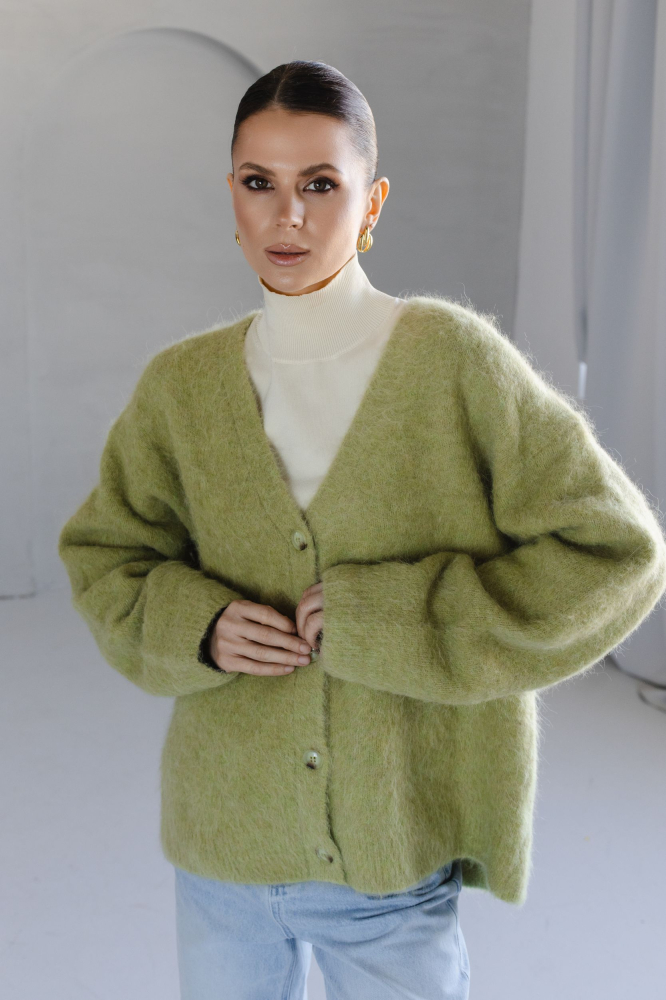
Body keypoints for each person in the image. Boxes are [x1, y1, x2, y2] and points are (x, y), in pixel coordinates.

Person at [58, 61, 666, 1000]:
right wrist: (196, 625)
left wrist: (401, 621)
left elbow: (616, 554)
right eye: (259, 182)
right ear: (231, 197)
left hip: (392, 862)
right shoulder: (181, 386)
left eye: (319, 184)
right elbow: (108, 556)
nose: (286, 215)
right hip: (221, 853)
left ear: (372, 202)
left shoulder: (455, 362)